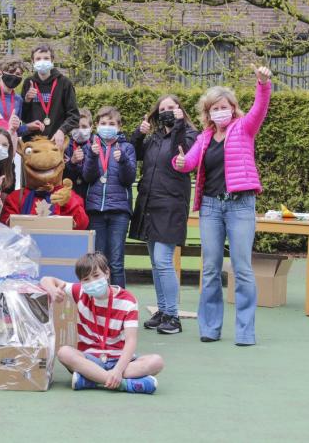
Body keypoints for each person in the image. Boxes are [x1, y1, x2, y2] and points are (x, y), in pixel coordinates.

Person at [173, 65, 272, 346]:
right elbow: (189, 162)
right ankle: (210, 328)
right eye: (214, 107)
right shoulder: (204, 138)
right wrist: (179, 163)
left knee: (241, 268)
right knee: (211, 268)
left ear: (233, 108)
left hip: (240, 205)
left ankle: (245, 331)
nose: (220, 111)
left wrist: (262, 84)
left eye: (224, 106)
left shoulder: (244, 127)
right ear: (208, 112)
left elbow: (260, 108)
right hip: (211, 208)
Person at [41, 252, 164, 393]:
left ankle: (91, 379)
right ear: (81, 282)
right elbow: (46, 279)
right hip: (90, 359)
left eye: (96, 276)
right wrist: (52, 290)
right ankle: (123, 384)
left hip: (119, 360)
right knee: (64, 353)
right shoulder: (80, 292)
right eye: (86, 279)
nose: (92, 282)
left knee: (156, 361)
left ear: (107, 273)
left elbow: (131, 341)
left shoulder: (128, 301)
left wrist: (118, 370)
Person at [129, 95, 199, 335]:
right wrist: (139, 133)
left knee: (163, 261)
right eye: (163, 108)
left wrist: (178, 125)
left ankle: (172, 315)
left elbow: (186, 153)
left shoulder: (189, 133)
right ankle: (162, 310)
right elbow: (134, 152)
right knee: (156, 263)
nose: (167, 111)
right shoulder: (154, 138)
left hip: (171, 205)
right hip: (149, 204)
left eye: (172, 107)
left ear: (180, 109)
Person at [82, 107, 136, 288]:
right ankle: (99, 300)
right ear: (96, 125)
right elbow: (87, 177)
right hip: (96, 210)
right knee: (98, 260)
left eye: (111, 124)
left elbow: (129, 179)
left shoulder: (127, 148)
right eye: (103, 123)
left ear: (119, 126)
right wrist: (91, 156)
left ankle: (119, 301)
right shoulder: (91, 147)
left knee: (116, 262)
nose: (107, 127)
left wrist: (123, 161)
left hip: (119, 212)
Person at [20, 44, 80, 148]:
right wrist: (27, 100)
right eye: (38, 58)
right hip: (32, 143)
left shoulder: (64, 83)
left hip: (55, 142)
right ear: (32, 61)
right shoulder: (28, 83)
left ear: (52, 60)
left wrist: (62, 130)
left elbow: (74, 116)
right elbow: (22, 116)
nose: (42, 61)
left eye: (46, 58)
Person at [64, 108, 93, 200]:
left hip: (90, 199)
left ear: (91, 128)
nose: (80, 130)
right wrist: (71, 162)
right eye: (76, 127)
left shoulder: (97, 147)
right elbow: (62, 176)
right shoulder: (64, 147)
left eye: (84, 127)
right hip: (70, 198)